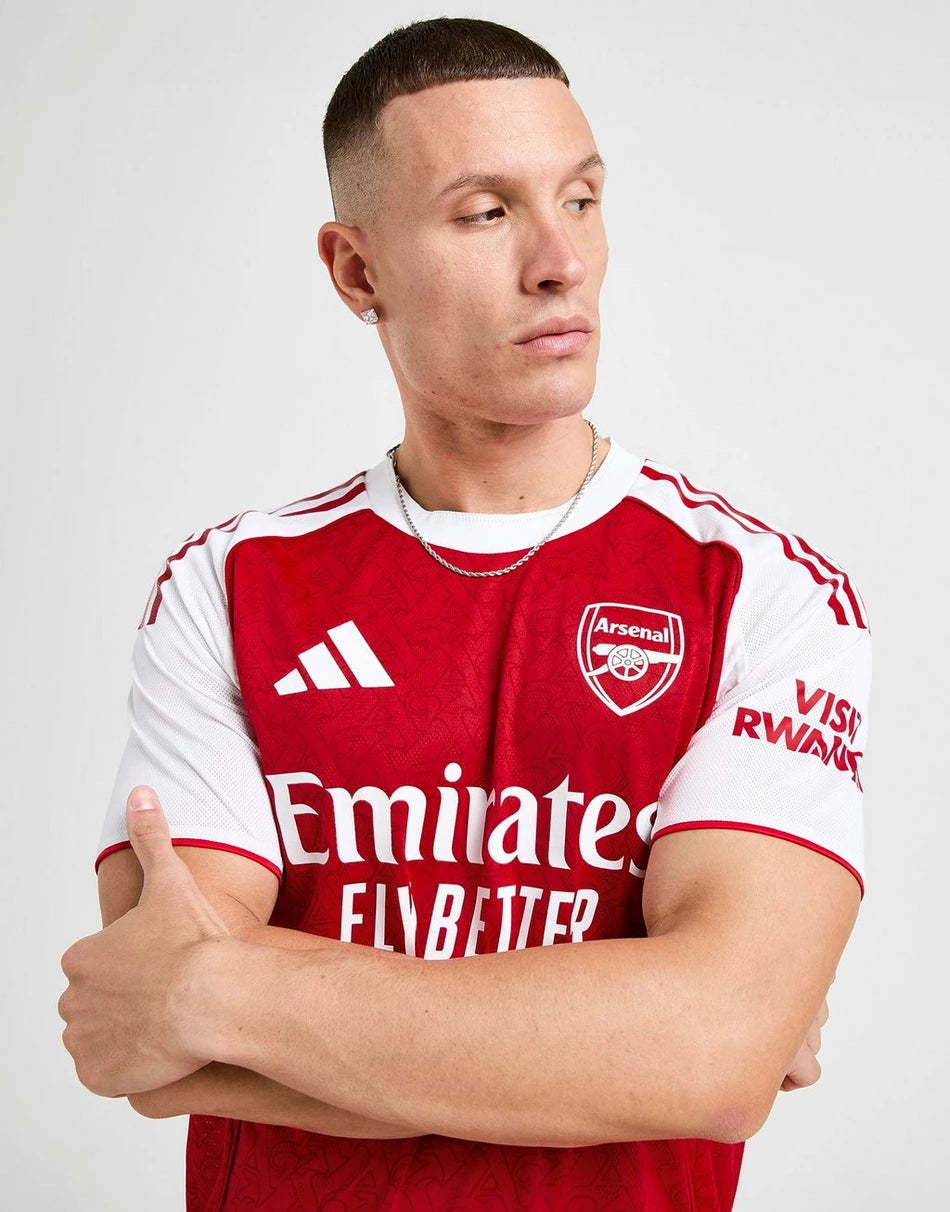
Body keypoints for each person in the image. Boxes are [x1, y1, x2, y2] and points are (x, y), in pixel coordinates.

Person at [58, 16, 870, 1212]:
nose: (560, 261)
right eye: (486, 212)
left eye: (580, 199)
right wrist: (627, 1040)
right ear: (357, 272)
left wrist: (223, 992)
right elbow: (147, 1039)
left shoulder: (765, 589)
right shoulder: (229, 585)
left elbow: (711, 1056)